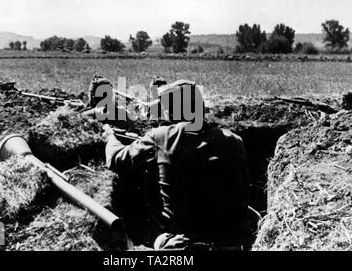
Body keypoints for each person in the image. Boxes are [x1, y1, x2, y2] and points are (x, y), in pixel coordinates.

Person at [103, 80, 250, 250]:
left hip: (181, 244)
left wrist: (110, 137)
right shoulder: (235, 141)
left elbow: (116, 159)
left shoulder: (162, 137)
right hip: (230, 244)